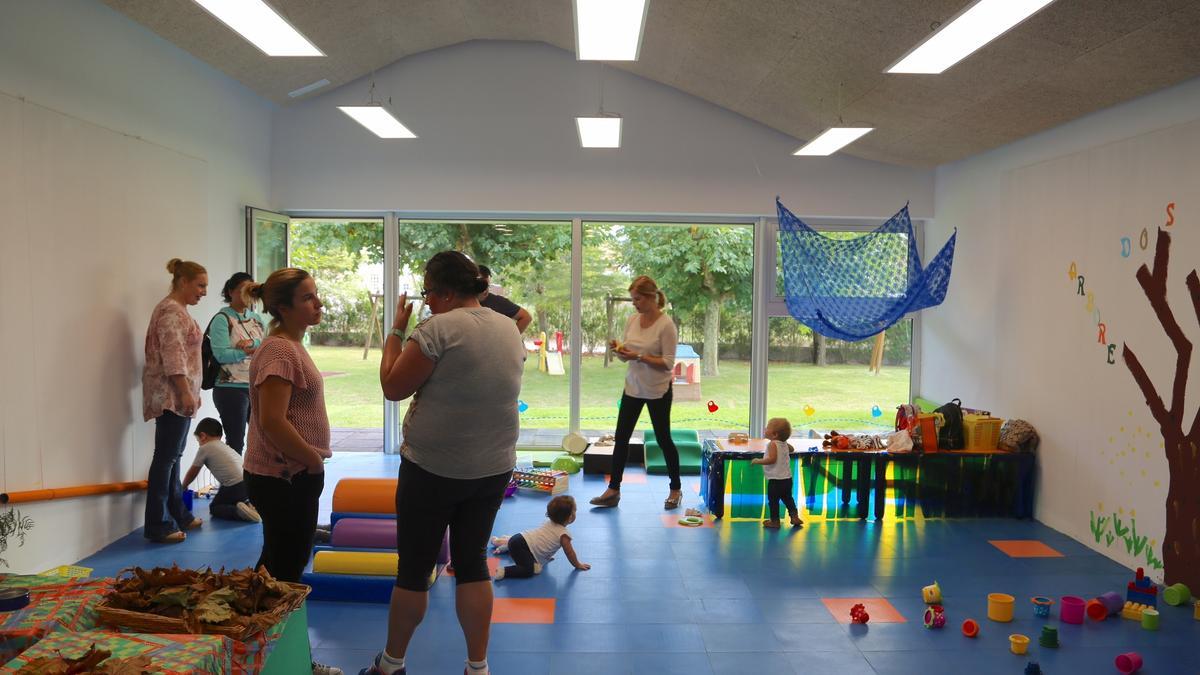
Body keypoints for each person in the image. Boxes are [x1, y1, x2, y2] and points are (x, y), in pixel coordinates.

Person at [364, 251, 524, 675]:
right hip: (492, 467)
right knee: (471, 563)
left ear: (447, 292)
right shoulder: (508, 327)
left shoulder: (437, 329)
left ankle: (391, 664)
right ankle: (478, 667)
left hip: (433, 469)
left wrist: (397, 328)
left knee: (414, 570)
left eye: (429, 293)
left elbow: (392, 385)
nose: (427, 302)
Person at [241, 268, 341, 675]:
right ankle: (281, 659)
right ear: (282, 307)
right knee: (284, 571)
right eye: (307, 298)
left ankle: (258, 653)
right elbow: (273, 421)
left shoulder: (290, 346)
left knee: (276, 566)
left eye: (316, 295)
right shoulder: (280, 351)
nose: (317, 303)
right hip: (284, 477)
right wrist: (312, 459)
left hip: (291, 475)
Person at [589, 275, 683, 510]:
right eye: (633, 299)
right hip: (633, 386)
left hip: (658, 389)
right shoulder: (632, 319)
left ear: (652, 298)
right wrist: (620, 350)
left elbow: (668, 363)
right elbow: (628, 355)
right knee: (621, 438)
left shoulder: (666, 325)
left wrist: (638, 356)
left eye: (638, 298)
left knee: (663, 439)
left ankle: (675, 488)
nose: (634, 303)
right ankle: (613, 490)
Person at [142, 258, 206, 544]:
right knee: (166, 458)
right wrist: (183, 391)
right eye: (200, 285)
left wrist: (191, 391)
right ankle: (158, 524)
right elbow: (173, 355)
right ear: (183, 282)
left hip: (178, 394)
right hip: (170, 395)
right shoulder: (171, 311)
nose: (203, 292)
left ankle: (178, 513)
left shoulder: (179, 311)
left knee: (173, 457)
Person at [207, 272, 267, 454]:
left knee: (264, 438)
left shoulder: (257, 319)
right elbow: (221, 355)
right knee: (236, 441)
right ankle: (232, 482)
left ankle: (253, 480)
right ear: (230, 292)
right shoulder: (222, 319)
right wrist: (245, 352)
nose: (246, 294)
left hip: (256, 385)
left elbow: (265, 344)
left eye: (251, 290)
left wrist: (252, 344)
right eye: (242, 290)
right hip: (230, 388)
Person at [490, 495, 589, 579]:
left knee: (520, 551)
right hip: (521, 546)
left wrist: (545, 556)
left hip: (519, 538)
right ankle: (504, 571)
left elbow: (542, 540)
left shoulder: (549, 522)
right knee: (528, 570)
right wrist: (577, 564)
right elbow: (570, 553)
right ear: (570, 517)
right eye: (575, 511)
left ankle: (504, 545)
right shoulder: (563, 535)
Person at [182, 417, 260, 523]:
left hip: (235, 486)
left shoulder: (205, 448)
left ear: (203, 436)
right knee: (229, 495)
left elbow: (193, 472)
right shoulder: (224, 446)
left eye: (198, 440)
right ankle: (249, 505)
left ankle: (238, 512)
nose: (199, 443)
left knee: (215, 507)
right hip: (248, 482)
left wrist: (184, 486)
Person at [751, 418, 803, 529]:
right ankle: (794, 517)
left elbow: (772, 459)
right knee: (788, 498)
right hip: (787, 479)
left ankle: (775, 521)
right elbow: (792, 449)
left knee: (773, 501)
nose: (765, 429)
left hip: (776, 480)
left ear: (774, 434)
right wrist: (785, 443)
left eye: (768, 427)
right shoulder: (783, 443)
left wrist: (757, 461)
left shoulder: (772, 444)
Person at [477, 264, 532, 333]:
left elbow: (526, 317)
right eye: (481, 286)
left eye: (488, 286)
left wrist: (510, 337)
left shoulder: (497, 301)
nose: (485, 290)